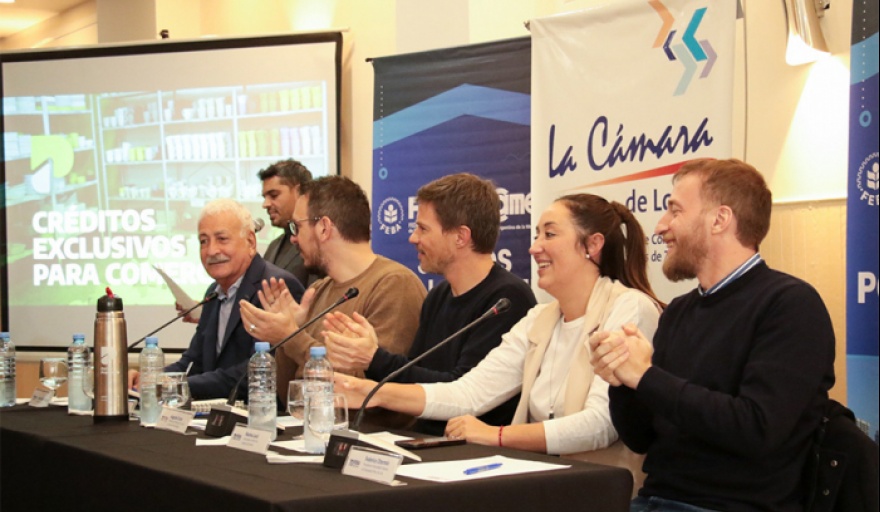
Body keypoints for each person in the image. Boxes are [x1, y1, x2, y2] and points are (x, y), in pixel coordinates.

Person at [589, 159, 835, 512]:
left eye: (675, 211)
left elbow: (757, 429)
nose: (660, 226)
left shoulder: (791, 305)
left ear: (720, 220)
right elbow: (641, 438)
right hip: (652, 500)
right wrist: (622, 379)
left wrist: (646, 376)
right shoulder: (679, 311)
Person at [336, 193, 663, 455]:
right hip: (542, 482)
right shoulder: (540, 319)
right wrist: (373, 392)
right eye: (536, 235)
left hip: (601, 488)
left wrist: (497, 435)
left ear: (592, 245)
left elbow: (600, 425)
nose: (534, 247)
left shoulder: (629, 308)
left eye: (549, 234)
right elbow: (469, 393)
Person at [322, 173, 537, 436]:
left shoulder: (507, 299)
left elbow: (461, 389)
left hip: (472, 448)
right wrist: (370, 355)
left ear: (460, 237)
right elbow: (415, 377)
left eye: (423, 229)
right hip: (423, 439)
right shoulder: (439, 295)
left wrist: (374, 358)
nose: (413, 238)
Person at [239, 176, 426, 415]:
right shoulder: (320, 289)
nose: (293, 238)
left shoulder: (394, 285)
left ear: (324, 228)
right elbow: (291, 396)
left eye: (297, 227)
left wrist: (292, 336)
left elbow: (369, 394)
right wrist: (287, 337)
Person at [129, 199, 305, 399]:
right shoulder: (214, 292)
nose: (211, 251)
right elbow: (194, 361)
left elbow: (257, 374)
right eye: (203, 241)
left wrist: (171, 385)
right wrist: (150, 378)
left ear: (250, 242)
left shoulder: (275, 286)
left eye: (222, 239)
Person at [258, 159, 324, 286]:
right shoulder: (273, 246)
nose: (265, 204)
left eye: (274, 195)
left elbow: (318, 294)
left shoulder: (318, 243)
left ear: (299, 192)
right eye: (264, 197)